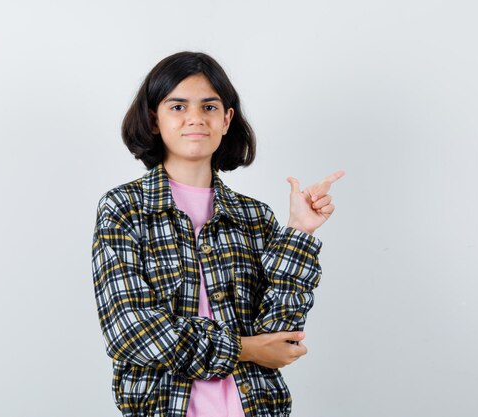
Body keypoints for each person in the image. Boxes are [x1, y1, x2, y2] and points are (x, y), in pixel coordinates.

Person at [91, 51, 343, 417]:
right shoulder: (124, 208)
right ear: (154, 119)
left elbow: (280, 336)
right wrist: (245, 348)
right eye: (178, 107)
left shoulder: (254, 216)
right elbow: (130, 332)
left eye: (209, 107)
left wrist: (299, 230)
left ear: (227, 120)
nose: (195, 118)